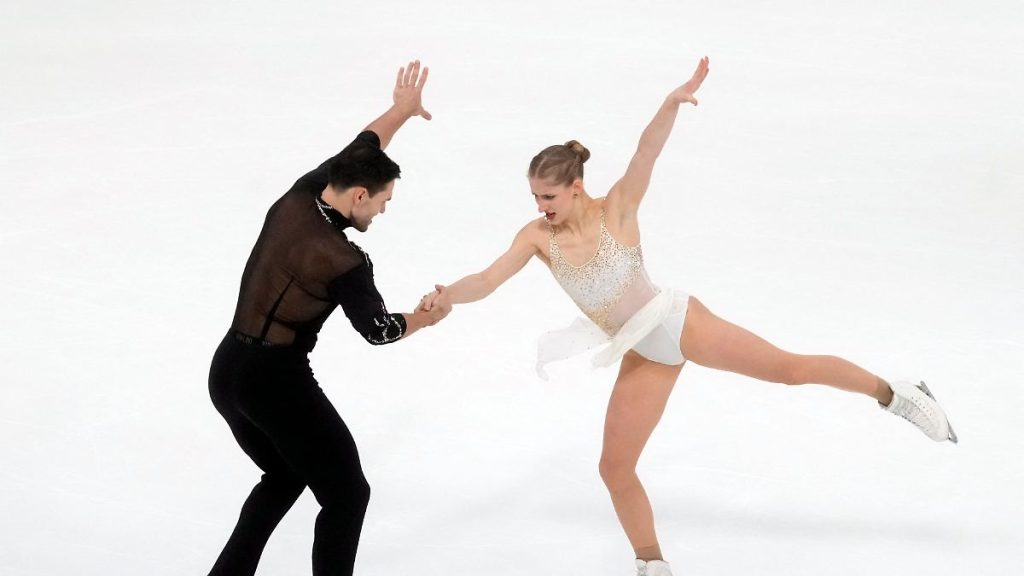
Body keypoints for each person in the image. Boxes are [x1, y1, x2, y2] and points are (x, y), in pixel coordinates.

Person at [418, 56, 956, 576]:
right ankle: (651, 562)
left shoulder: (617, 209)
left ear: (576, 186)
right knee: (614, 468)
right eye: (535, 196)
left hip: (679, 325)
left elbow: (645, 154)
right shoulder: (537, 238)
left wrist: (670, 103)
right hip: (642, 352)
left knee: (790, 370)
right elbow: (486, 280)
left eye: (549, 195)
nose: (540, 206)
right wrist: (448, 296)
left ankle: (898, 394)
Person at [207, 60, 449, 576]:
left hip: (227, 371)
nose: (383, 211)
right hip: (274, 382)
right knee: (347, 494)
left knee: (284, 475)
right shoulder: (343, 259)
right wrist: (428, 316)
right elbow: (378, 331)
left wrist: (402, 110)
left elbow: (366, 143)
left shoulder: (303, 192)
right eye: (383, 202)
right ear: (360, 194)